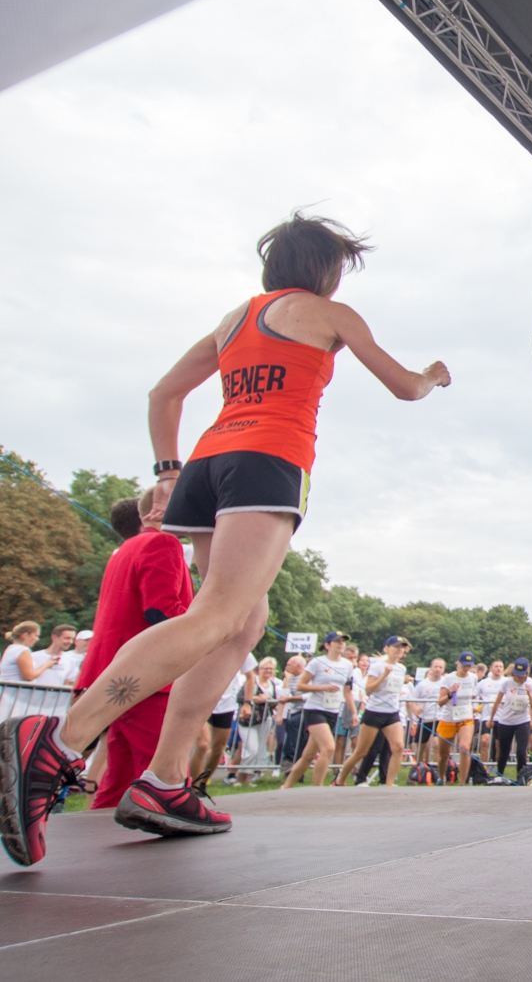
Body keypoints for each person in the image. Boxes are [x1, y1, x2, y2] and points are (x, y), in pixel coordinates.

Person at [1, 212, 452, 863]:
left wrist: (166, 473)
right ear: (326, 272)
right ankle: (59, 742)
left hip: (210, 465)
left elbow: (164, 393)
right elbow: (406, 387)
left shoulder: (236, 318)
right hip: (267, 463)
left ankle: (163, 777)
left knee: (241, 624)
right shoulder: (331, 314)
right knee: (216, 615)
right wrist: (435, 373)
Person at [69, 489, 194, 814]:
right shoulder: (164, 543)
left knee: (118, 777)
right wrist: (210, 624)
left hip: (112, 672)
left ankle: (96, 840)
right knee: (164, 773)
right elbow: (160, 610)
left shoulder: (124, 549)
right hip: (148, 679)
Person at [281, 632, 354, 789]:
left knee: (307, 756)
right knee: (328, 748)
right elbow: (301, 685)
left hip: (333, 711)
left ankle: (286, 786)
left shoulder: (347, 665)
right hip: (315, 709)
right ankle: (317, 789)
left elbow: (347, 691)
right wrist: (323, 687)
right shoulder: (317, 663)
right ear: (327, 645)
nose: (341, 644)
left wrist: (354, 713)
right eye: (337, 642)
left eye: (343, 642)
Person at [335, 636, 410, 787]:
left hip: (391, 712)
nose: (400, 650)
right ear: (387, 649)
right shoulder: (378, 666)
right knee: (361, 751)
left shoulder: (401, 668)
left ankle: (388, 783)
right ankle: (340, 780)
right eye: (396, 647)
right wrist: (384, 675)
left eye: (402, 648)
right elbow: (369, 690)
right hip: (375, 712)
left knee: (398, 747)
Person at [193, 653, 257, 793]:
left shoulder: (240, 643)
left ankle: (203, 783)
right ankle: (193, 788)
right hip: (201, 702)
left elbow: (250, 676)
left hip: (225, 705)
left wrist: (247, 703)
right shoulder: (207, 639)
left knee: (218, 749)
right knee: (203, 745)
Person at [434, 652, 479, 786]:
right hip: (448, 718)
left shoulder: (473, 678)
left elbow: (472, 695)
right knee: (444, 754)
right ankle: (442, 777)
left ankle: (462, 783)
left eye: (469, 666)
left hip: (465, 717)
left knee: (465, 747)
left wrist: (473, 706)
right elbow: (440, 702)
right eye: (464, 665)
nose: (466, 669)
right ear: (458, 664)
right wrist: (450, 694)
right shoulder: (448, 679)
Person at [488, 658, 532, 779]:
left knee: (521, 751)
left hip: (522, 720)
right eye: (517, 675)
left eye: (522, 676)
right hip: (506, 720)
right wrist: (491, 718)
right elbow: (497, 701)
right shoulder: (507, 683)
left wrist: (529, 694)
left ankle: (521, 776)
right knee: (503, 751)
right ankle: (500, 775)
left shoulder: (531, 684)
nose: (519, 678)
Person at [236, 658, 283, 780]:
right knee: (251, 748)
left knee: (259, 750)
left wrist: (270, 701)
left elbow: (274, 702)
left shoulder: (272, 685)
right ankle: (241, 777)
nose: (268, 671)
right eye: (265, 668)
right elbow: (241, 697)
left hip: (264, 719)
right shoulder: (252, 681)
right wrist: (257, 698)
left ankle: (248, 777)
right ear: (259, 669)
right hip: (248, 720)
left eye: (271, 669)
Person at [475, 660, 505, 762]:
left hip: (502, 717)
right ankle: (484, 767)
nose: (498, 668)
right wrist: (475, 708)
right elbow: (473, 696)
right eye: (496, 666)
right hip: (487, 716)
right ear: (491, 669)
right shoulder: (483, 683)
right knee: (484, 741)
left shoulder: (506, 682)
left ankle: (496, 767)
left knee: (499, 745)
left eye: (501, 667)